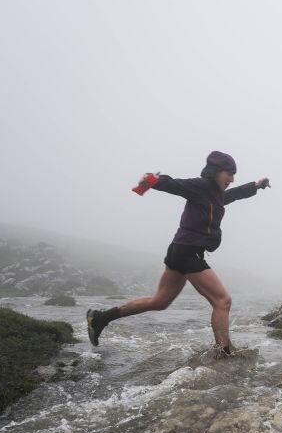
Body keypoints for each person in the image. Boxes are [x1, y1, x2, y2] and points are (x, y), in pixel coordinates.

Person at [87, 150, 270, 354]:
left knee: (159, 301)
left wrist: (255, 186)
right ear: (216, 172)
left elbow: (231, 196)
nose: (232, 179)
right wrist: (152, 180)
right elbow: (175, 185)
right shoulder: (201, 186)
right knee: (222, 301)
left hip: (180, 250)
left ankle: (99, 318)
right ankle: (224, 355)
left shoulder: (214, 194)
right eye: (229, 174)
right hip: (188, 251)